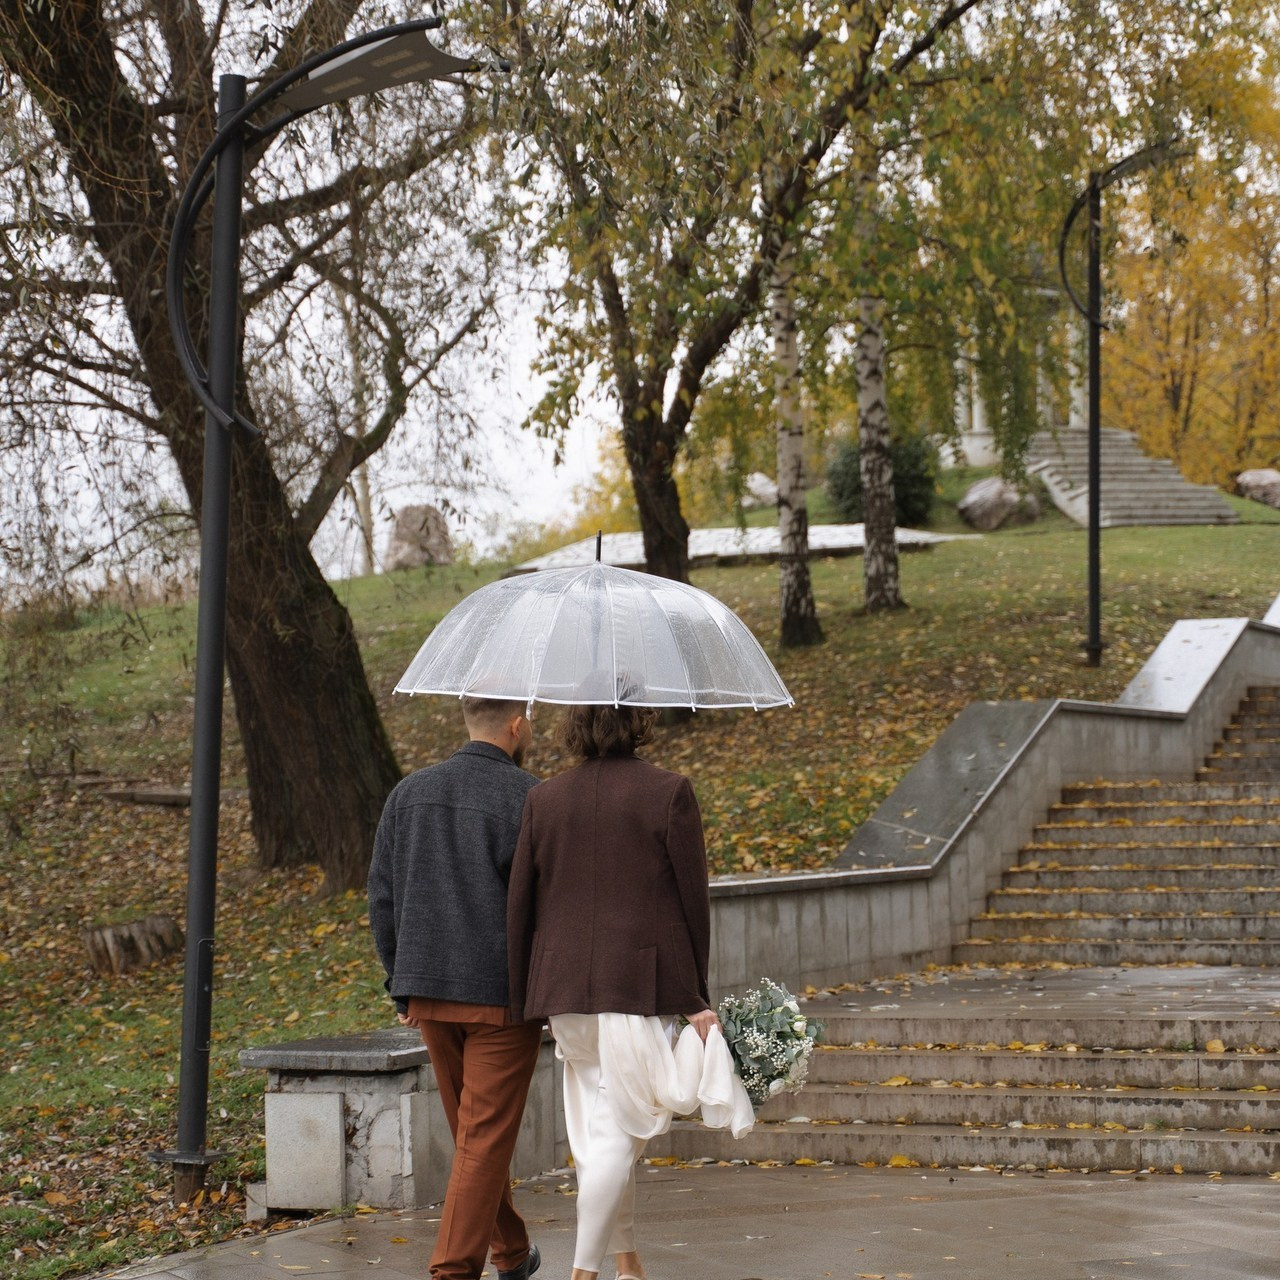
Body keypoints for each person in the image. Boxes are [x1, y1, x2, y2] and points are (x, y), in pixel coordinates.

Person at [507, 702, 750, 1280]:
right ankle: (583, 1273)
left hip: (563, 995)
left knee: (599, 1140)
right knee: (616, 1138)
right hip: (634, 991)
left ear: (575, 728)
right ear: (639, 722)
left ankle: (626, 1261)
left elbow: (520, 904)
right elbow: (694, 904)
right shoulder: (669, 792)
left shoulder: (544, 799)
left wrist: (524, 998)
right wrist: (695, 996)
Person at [368, 696, 543, 1280]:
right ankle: (452, 1271)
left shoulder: (407, 794)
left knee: (475, 1139)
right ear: (516, 726)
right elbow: (547, 907)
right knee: (482, 1141)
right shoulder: (528, 798)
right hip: (501, 997)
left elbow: (382, 897)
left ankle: (513, 1251)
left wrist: (402, 986)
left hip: (429, 994)